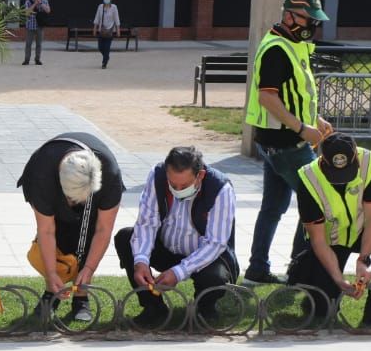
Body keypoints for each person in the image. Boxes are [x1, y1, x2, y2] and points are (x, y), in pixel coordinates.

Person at [244, 0, 335, 285]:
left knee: (273, 206)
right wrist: (301, 128)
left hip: (279, 142)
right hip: (286, 143)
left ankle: (257, 270)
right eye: (309, 20)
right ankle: (299, 270)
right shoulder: (276, 49)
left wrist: (315, 120)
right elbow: (268, 98)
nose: (313, 27)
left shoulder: (292, 44)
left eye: (315, 21)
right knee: (317, 203)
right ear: (289, 16)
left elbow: (294, 95)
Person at [287, 133, 371, 330]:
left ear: (356, 159)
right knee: (322, 309)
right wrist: (339, 280)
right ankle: (316, 298)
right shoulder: (307, 177)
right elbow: (318, 239)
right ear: (322, 161)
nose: (340, 180)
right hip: (330, 239)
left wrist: (364, 260)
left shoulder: (370, 162)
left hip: (362, 229)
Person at [115, 146, 237, 329]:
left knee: (215, 276)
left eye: (184, 186)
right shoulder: (157, 176)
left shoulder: (220, 188)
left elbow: (215, 243)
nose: (177, 190)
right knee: (126, 238)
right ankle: (153, 308)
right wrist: (140, 261)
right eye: (173, 184)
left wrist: (179, 272)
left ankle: (205, 310)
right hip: (166, 247)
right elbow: (147, 223)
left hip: (205, 255)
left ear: (200, 176)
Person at [17, 132, 124, 322]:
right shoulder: (41, 174)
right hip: (48, 185)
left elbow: (103, 229)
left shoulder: (109, 173)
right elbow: (46, 230)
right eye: (72, 198)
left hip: (93, 201)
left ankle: (81, 297)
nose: (75, 204)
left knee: (87, 235)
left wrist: (89, 268)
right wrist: (51, 273)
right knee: (59, 235)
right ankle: (51, 293)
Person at [93, 0, 121, 69]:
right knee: (100, 47)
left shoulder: (114, 7)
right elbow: (97, 18)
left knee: (107, 48)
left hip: (110, 30)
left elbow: (116, 19)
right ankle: (106, 56)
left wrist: (118, 30)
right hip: (101, 30)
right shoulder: (100, 7)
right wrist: (95, 29)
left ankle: (104, 63)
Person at [21, 0, 50, 65]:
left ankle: (37, 59)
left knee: (39, 44)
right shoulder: (28, 1)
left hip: (40, 26)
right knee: (28, 44)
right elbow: (27, 13)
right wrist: (35, 3)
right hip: (30, 26)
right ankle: (27, 59)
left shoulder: (45, 1)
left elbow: (48, 11)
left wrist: (41, 3)